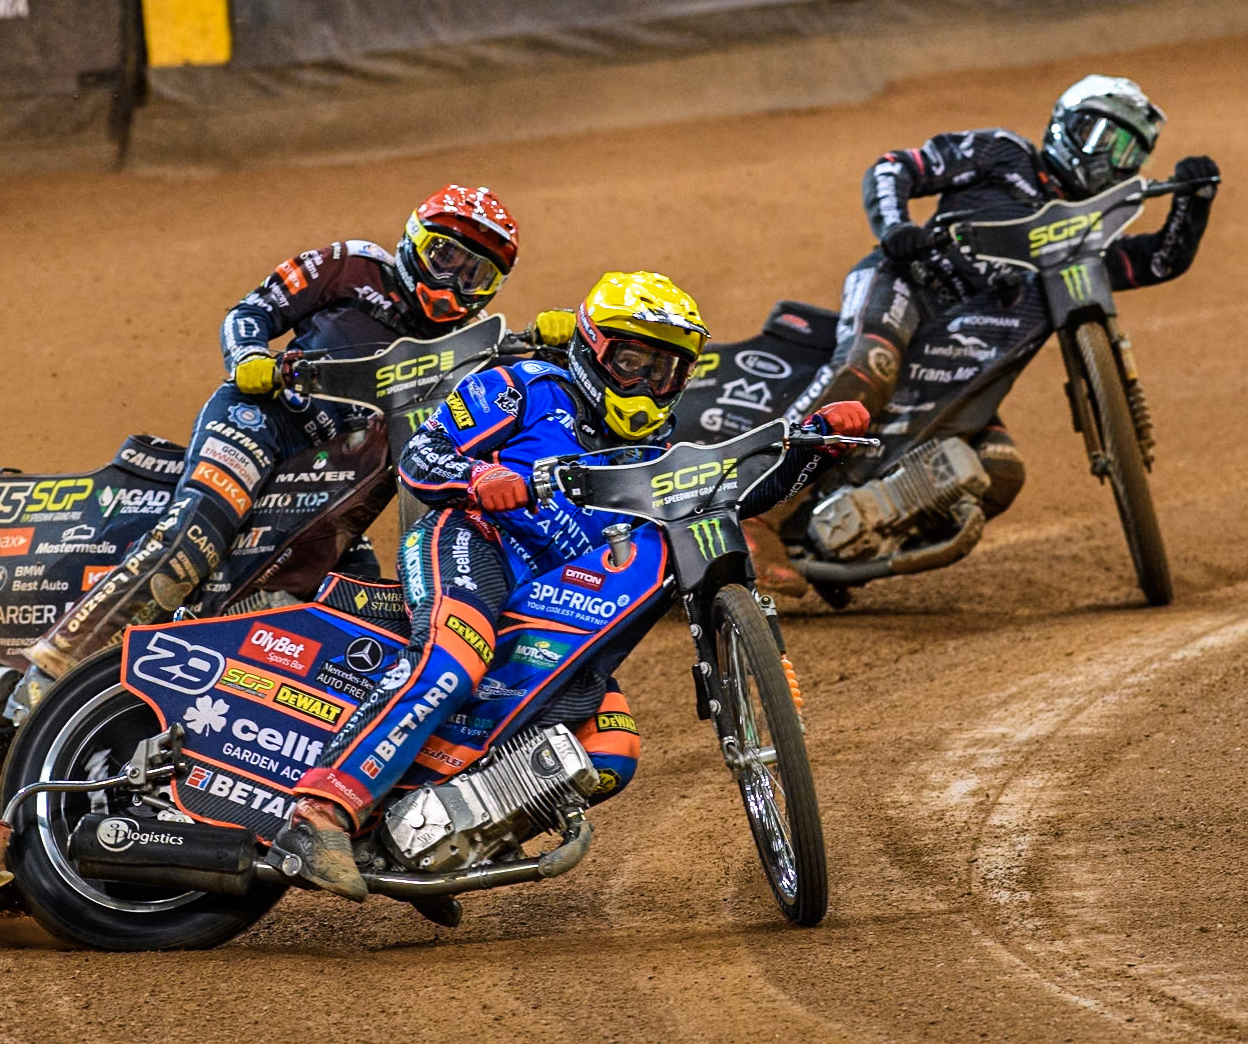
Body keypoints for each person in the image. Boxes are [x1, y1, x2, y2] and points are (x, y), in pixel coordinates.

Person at [270, 270, 870, 900]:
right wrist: (479, 481)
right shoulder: (520, 387)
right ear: (590, 347)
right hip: (473, 541)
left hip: (555, 598)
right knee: (455, 656)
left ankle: (417, 849)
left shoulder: (655, 453)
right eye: (631, 360)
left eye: (663, 371)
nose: (644, 384)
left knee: (610, 752)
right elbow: (422, 455)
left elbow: (735, 497)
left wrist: (814, 450)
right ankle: (320, 815)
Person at [22, 185, 576, 681]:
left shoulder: (473, 349)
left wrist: (558, 344)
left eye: (474, 274)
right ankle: (52, 673)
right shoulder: (352, 264)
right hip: (263, 419)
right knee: (197, 533)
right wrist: (248, 357)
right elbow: (252, 310)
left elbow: (518, 384)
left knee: (351, 597)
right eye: (445, 256)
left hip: (341, 475)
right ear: (413, 242)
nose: (454, 279)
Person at [784, 74, 1219, 525]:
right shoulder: (1001, 152)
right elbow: (896, 166)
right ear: (1062, 124)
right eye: (1098, 136)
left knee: (999, 473)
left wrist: (1196, 202)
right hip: (906, 283)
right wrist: (894, 228)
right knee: (870, 363)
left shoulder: (1081, 244)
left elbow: (1156, 262)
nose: (1107, 159)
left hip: (960, 368)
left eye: (1126, 152)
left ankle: (843, 548)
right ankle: (763, 510)